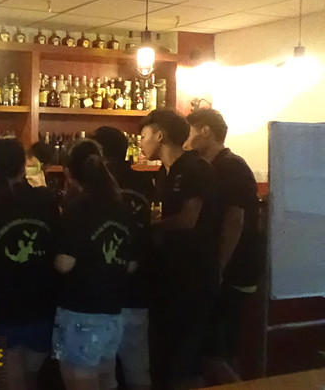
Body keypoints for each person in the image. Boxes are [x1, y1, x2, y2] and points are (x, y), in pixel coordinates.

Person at [0, 138, 60, 390]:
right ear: (23, 166)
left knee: (11, 381)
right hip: (43, 310)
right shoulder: (46, 201)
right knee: (31, 378)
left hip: (3, 313)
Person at [139, 109, 220, 389]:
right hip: (170, 276)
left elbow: (188, 219)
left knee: (184, 360)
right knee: (170, 358)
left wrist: (148, 228)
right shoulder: (164, 172)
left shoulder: (196, 167)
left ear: (160, 136)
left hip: (193, 276)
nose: (140, 142)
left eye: (144, 136)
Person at [53, 139, 137, 390]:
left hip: (81, 311)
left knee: (80, 380)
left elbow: (65, 263)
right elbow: (131, 264)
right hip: (113, 311)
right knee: (107, 377)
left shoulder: (78, 207)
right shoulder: (122, 206)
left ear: (69, 173)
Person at [185, 108, 260, 385]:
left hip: (234, 269)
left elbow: (235, 219)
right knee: (223, 349)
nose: (185, 140)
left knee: (212, 353)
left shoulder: (231, 166)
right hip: (231, 268)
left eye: (189, 132)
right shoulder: (215, 166)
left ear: (205, 131)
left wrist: (219, 266)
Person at [92, 126, 155, 390]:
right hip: (138, 282)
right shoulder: (145, 182)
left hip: (104, 288)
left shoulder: (95, 188)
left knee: (102, 370)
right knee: (137, 367)